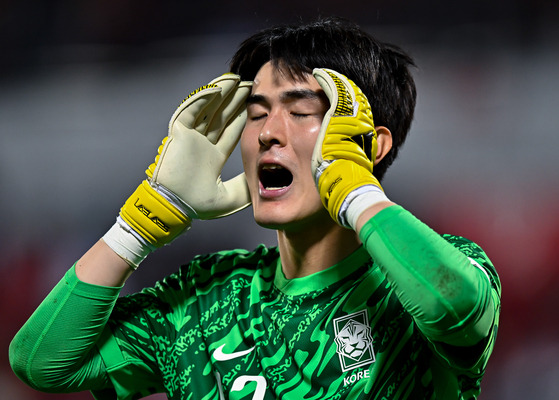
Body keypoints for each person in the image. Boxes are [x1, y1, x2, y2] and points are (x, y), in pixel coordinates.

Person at [9, 16, 500, 400]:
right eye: (257, 113)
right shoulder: (204, 298)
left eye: (302, 112)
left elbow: (453, 305)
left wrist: (355, 190)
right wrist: (139, 226)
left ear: (370, 144)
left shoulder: (443, 269)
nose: (267, 132)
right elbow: (43, 361)